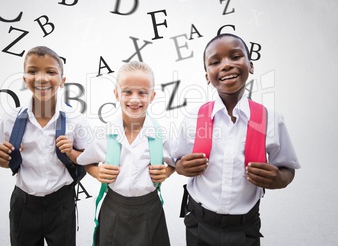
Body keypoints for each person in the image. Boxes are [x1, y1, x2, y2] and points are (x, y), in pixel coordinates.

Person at [172, 33, 301, 246]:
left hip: (245, 228)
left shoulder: (271, 120)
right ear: (207, 76)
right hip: (198, 224)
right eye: (215, 62)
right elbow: (177, 162)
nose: (226, 65)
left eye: (235, 57)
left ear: (250, 66)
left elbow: (288, 169)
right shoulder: (193, 119)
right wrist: (181, 167)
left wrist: (280, 179)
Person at [0, 46, 90, 246]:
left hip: (61, 203)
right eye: (33, 71)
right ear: (25, 79)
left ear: (62, 81)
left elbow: (88, 158)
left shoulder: (76, 119)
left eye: (51, 72)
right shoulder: (10, 119)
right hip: (23, 203)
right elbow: (2, 157)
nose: (42, 78)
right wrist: (1, 160)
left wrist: (72, 152)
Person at [70, 61, 175, 246]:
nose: (135, 99)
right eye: (127, 91)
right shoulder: (104, 133)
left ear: (152, 96)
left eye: (142, 92)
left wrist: (167, 172)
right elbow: (84, 160)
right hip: (114, 210)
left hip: (150, 211)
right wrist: (96, 172)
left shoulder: (160, 134)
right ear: (117, 94)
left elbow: (177, 161)